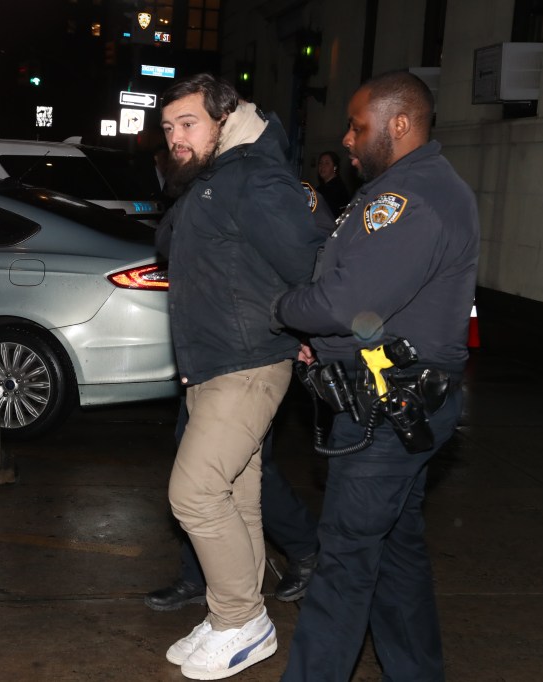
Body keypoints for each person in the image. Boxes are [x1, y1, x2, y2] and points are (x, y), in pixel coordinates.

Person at [273, 70, 480, 681]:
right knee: (394, 551)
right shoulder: (411, 189)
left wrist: (285, 310)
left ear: (400, 123)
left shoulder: (409, 201)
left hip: (388, 408)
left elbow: (345, 300)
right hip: (395, 398)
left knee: (344, 560)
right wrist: (329, 346)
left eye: (359, 126)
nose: (349, 137)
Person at [155, 73, 326, 680]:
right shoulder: (213, 176)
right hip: (211, 363)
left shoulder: (256, 176)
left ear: (225, 117)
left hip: (247, 362)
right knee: (237, 497)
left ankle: (240, 619)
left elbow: (310, 265)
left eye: (189, 123)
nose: (176, 136)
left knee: (194, 494)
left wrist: (309, 337)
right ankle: (233, 616)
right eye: (170, 127)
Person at [145, 399, 319, 611]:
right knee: (194, 467)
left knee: (246, 469)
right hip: (201, 377)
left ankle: (305, 547)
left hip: (242, 376)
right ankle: (199, 574)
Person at [314, 150, 354, 217]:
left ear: (335, 167)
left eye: (327, 163)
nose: (322, 166)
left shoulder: (338, 189)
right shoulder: (321, 188)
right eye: (320, 163)